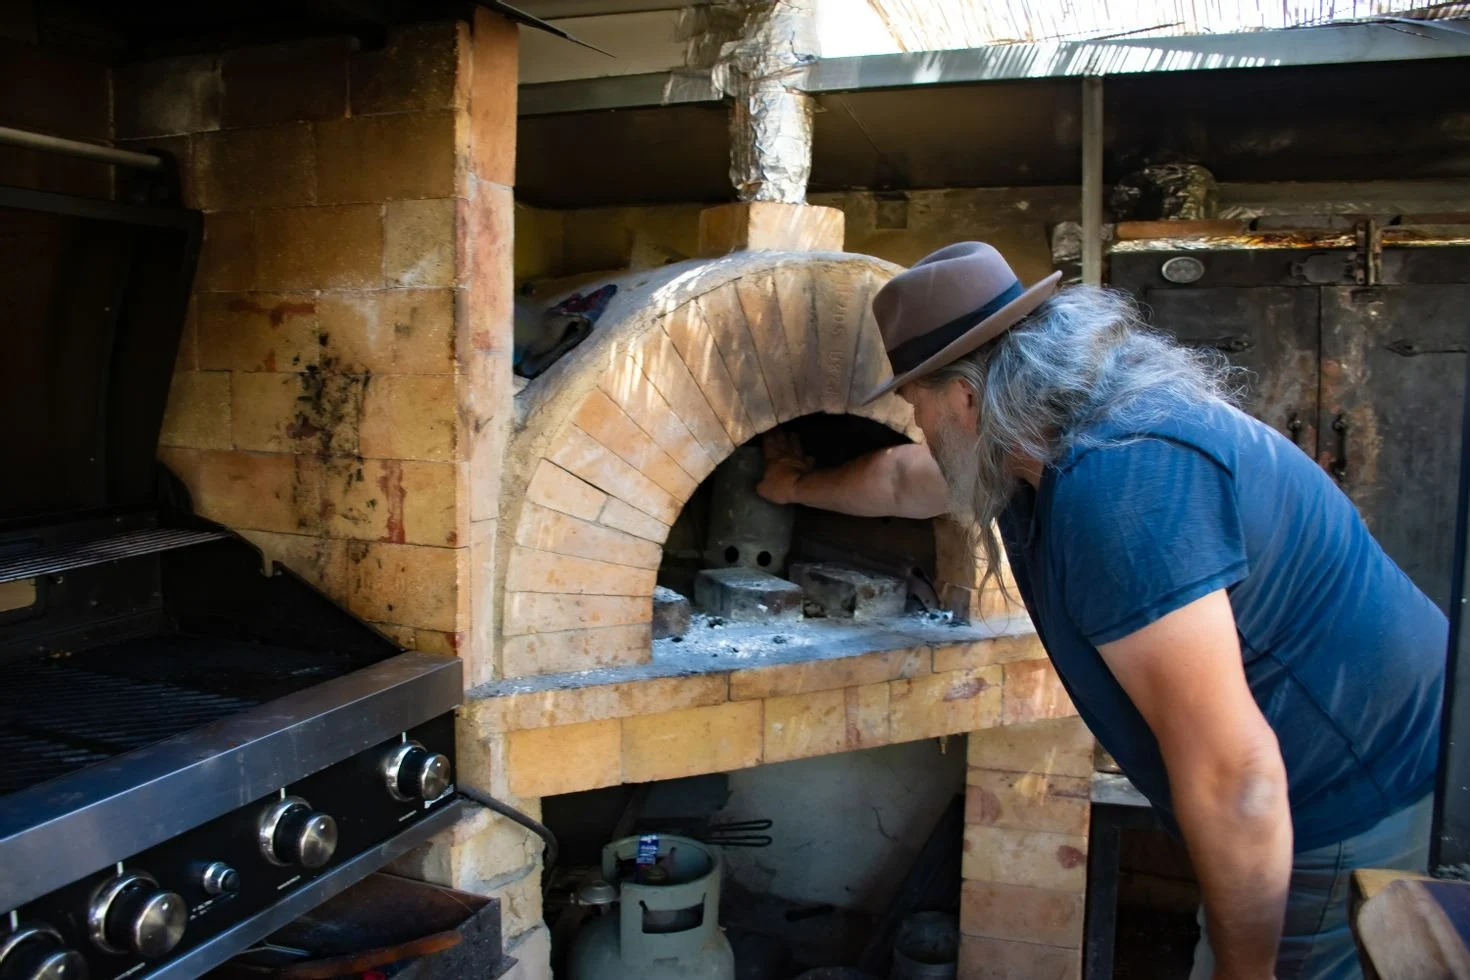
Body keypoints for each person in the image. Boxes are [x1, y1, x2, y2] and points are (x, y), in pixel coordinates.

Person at [756, 242, 1446, 980]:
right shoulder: (1045, 431)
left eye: (916, 406)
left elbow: (1235, 776)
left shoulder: (1120, 482)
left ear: (963, 398)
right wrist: (796, 486)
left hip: (1349, 792)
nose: (916, 426)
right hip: (1323, 773)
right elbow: (904, 481)